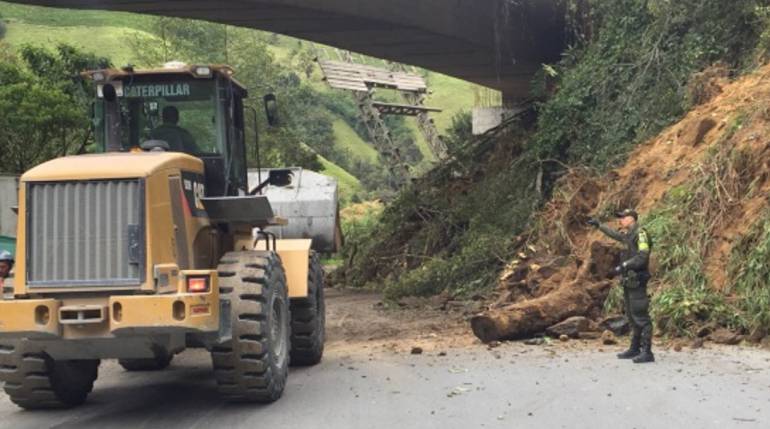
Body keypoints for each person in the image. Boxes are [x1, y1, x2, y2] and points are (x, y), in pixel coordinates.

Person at [588, 209, 654, 364]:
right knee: (631, 315)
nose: (620, 220)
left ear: (632, 219)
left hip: (638, 280)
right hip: (629, 281)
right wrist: (599, 225)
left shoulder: (641, 234)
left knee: (640, 315)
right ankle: (635, 348)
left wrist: (625, 264)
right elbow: (615, 235)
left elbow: (643, 256)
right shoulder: (629, 234)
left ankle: (647, 352)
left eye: (623, 218)